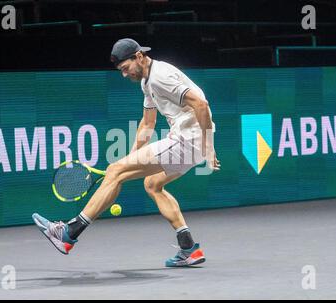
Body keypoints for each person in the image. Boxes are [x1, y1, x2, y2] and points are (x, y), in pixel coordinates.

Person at [33, 38, 220, 267]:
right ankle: (188, 248)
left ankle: (69, 233)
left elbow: (200, 104)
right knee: (152, 184)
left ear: (139, 57)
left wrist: (208, 146)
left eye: (125, 68)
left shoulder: (160, 77)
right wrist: (131, 156)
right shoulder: (147, 81)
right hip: (189, 142)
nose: (124, 74)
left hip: (188, 140)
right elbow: (147, 123)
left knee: (116, 172)